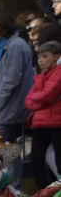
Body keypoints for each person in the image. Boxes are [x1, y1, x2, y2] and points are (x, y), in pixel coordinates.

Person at [0, 15, 37, 142]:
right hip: (3, 110)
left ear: (5, 27)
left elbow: (10, 81)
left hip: (10, 111)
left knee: (5, 155)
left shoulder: (15, 45)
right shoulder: (3, 46)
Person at [24, 40, 61, 188]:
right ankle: (44, 190)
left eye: (45, 56)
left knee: (59, 158)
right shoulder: (41, 75)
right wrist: (38, 101)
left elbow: (48, 95)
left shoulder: (58, 73)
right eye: (39, 57)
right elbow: (28, 100)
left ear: (57, 56)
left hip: (57, 121)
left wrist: (37, 101)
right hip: (40, 121)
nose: (41, 60)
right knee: (36, 158)